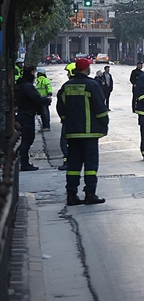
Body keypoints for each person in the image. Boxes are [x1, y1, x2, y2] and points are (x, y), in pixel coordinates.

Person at [58, 58, 109, 205]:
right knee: (90, 165)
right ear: (86, 69)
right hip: (90, 132)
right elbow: (100, 107)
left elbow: (60, 106)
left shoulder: (66, 86)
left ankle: (71, 195)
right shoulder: (92, 85)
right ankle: (90, 194)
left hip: (72, 132)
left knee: (73, 164)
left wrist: (66, 120)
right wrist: (104, 123)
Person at [16, 69, 50, 171]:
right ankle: (24, 163)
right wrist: (46, 100)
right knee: (27, 139)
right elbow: (35, 98)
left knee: (26, 139)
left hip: (23, 114)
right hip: (27, 115)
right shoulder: (27, 86)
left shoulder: (22, 85)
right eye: (33, 73)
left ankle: (24, 161)